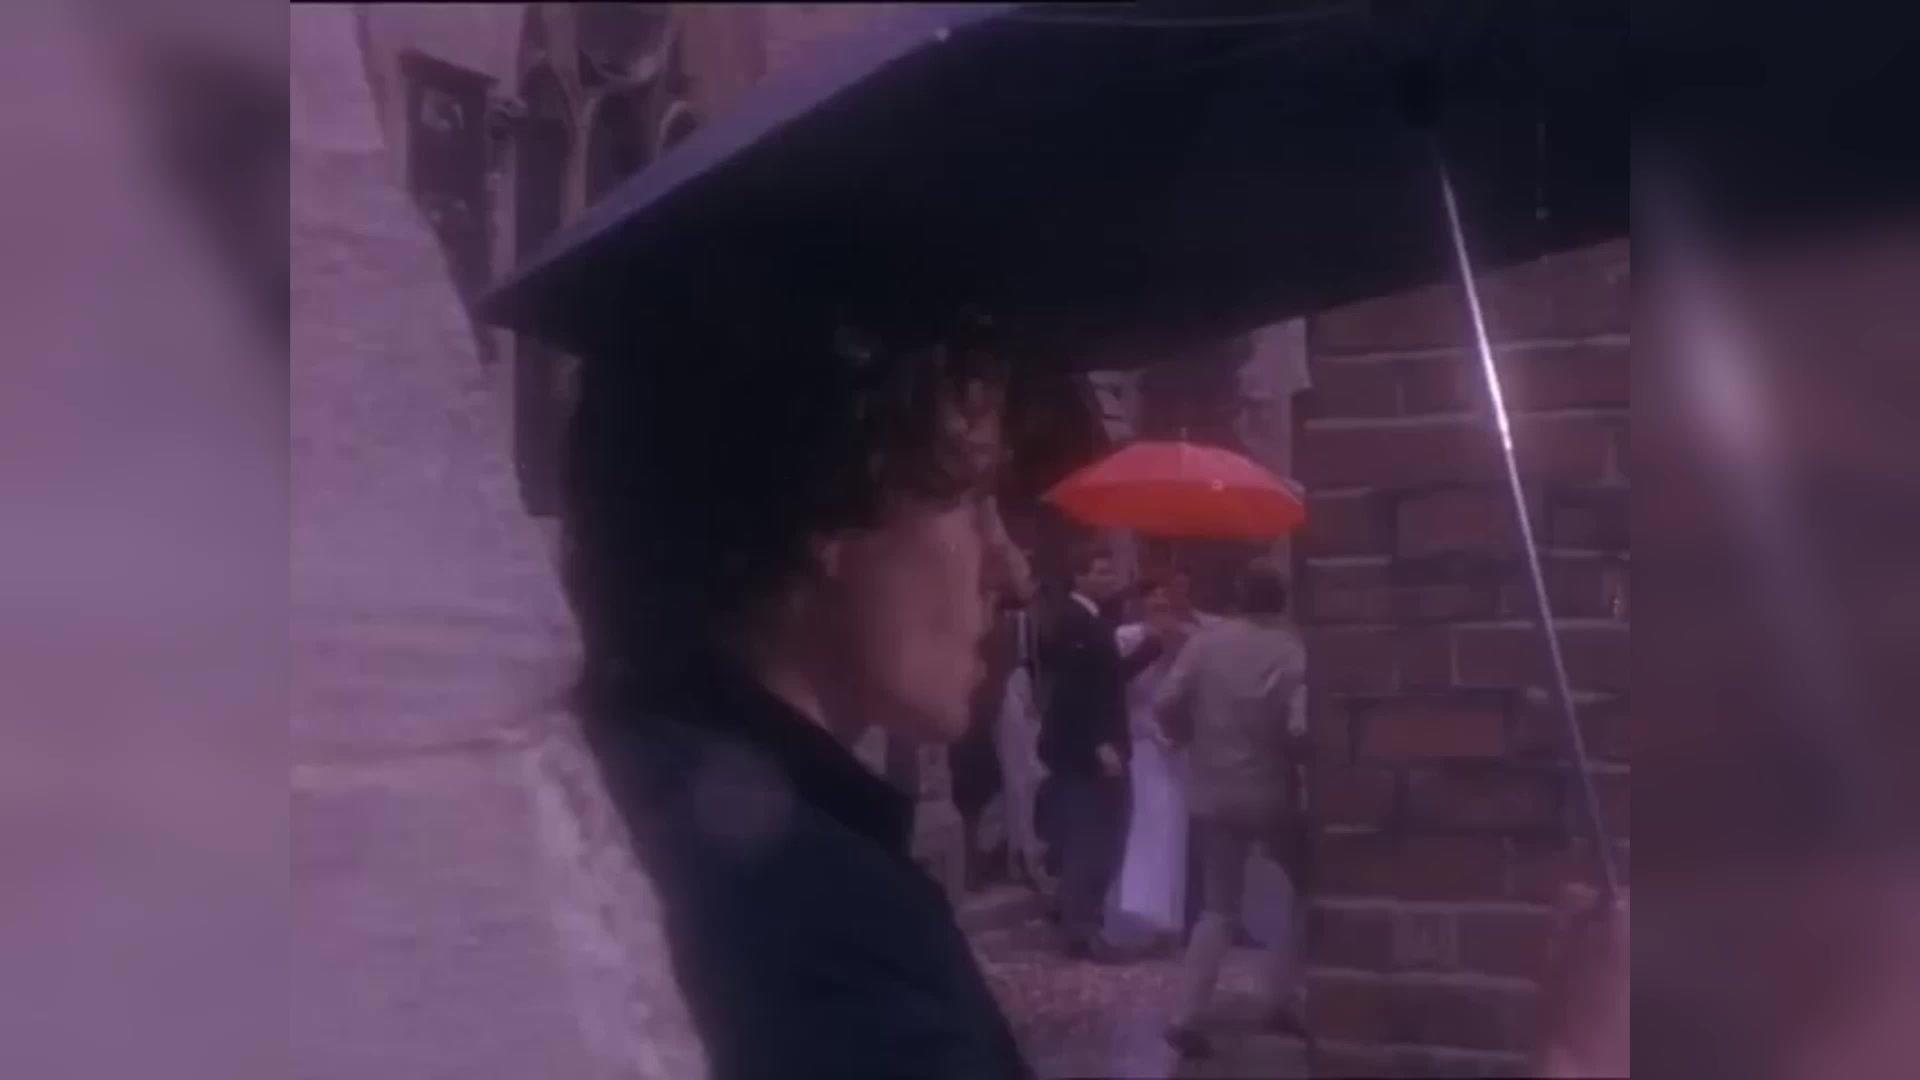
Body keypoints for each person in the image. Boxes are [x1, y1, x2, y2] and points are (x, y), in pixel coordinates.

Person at [562, 308, 1034, 1080]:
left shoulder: (615, 790)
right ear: (831, 511)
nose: (1012, 570)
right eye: (970, 500)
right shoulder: (816, 921)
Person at [1155, 557, 1311, 1058]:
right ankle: (1281, 996)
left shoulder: (1205, 644)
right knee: (1308, 889)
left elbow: (1164, 702)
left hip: (1213, 790)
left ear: (1239, 597)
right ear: (1283, 600)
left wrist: (1185, 735)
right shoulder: (1293, 652)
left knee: (1217, 908)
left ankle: (1185, 1015)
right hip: (1271, 793)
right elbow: (1299, 729)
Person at [1037, 543, 1167, 959]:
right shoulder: (1074, 622)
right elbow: (1076, 691)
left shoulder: (1095, 621)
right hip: (1088, 750)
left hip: (1100, 745)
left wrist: (1150, 650)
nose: (1109, 580)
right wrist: (1099, 744)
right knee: (1091, 837)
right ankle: (1081, 928)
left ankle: (1083, 920)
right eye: (1101, 571)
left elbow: (1107, 678)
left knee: (1105, 833)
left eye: (1111, 572)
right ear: (1080, 577)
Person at [1103, 576, 1198, 953]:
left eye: (1165, 596)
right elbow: (1120, 688)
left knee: (1174, 833)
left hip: (1176, 745)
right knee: (1146, 828)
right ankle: (1139, 915)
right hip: (1142, 741)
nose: (1160, 601)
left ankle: (1171, 920)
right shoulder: (1125, 637)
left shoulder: (1189, 638)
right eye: (1152, 595)